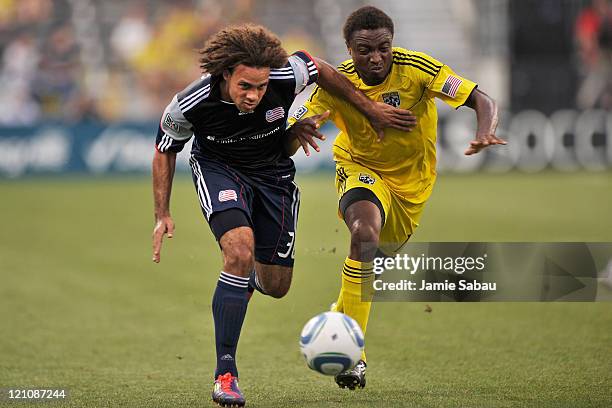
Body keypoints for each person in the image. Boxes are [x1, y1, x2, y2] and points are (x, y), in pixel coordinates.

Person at [150, 23, 414, 407]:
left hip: (274, 176)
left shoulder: (287, 74)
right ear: (225, 75)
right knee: (239, 251)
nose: (254, 96)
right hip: (220, 169)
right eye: (245, 87)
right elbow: (164, 148)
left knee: (275, 285)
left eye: (260, 87)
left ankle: (240, 284)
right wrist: (162, 212)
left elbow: (320, 68)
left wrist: (369, 107)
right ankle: (226, 374)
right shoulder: (191, 102)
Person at [287, 6, 505, 390]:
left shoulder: (419, 69)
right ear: (348, 49)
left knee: (368, 268)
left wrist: (485, 129)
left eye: (383, 48)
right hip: (359, 169)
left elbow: (481, 98)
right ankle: (355, 358)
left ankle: (336, 323)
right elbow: (294, 125)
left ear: (392, 43)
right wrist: (295, 128)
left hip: (412, 187)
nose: (375, 58)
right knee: (364, 236)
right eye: (364, 50)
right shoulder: (336, 83)